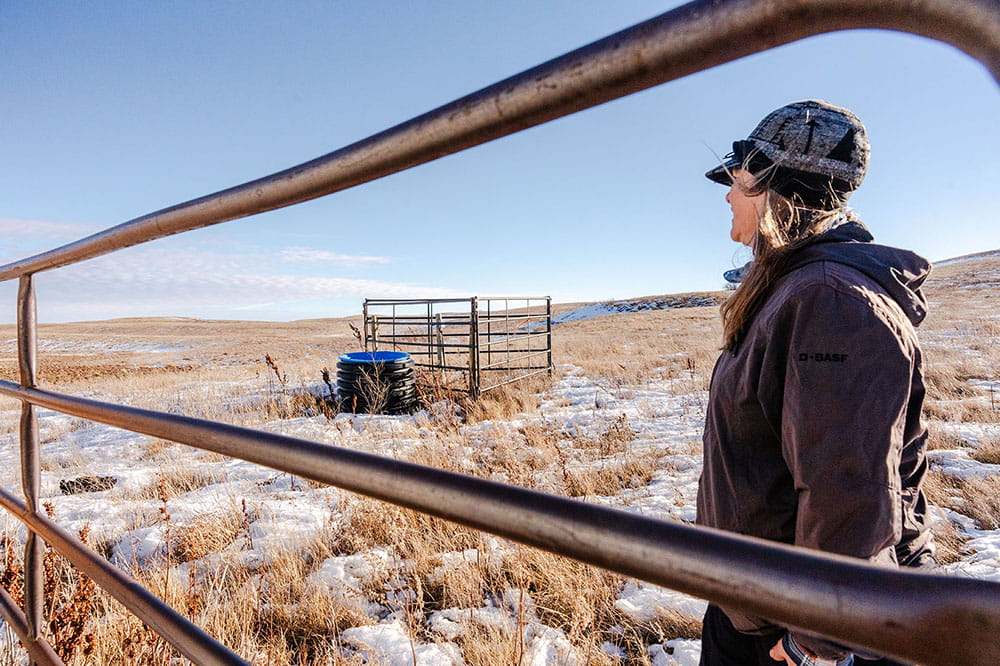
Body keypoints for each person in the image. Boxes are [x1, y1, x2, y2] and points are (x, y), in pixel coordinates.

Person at [696, 100, 935, 666]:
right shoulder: (797, 289)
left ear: (774, 186)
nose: (728, 192)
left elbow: (848, 486)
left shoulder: (830, 299)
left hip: (797, 629)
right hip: (762, 604)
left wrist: (818, 644)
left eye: (737, 177)